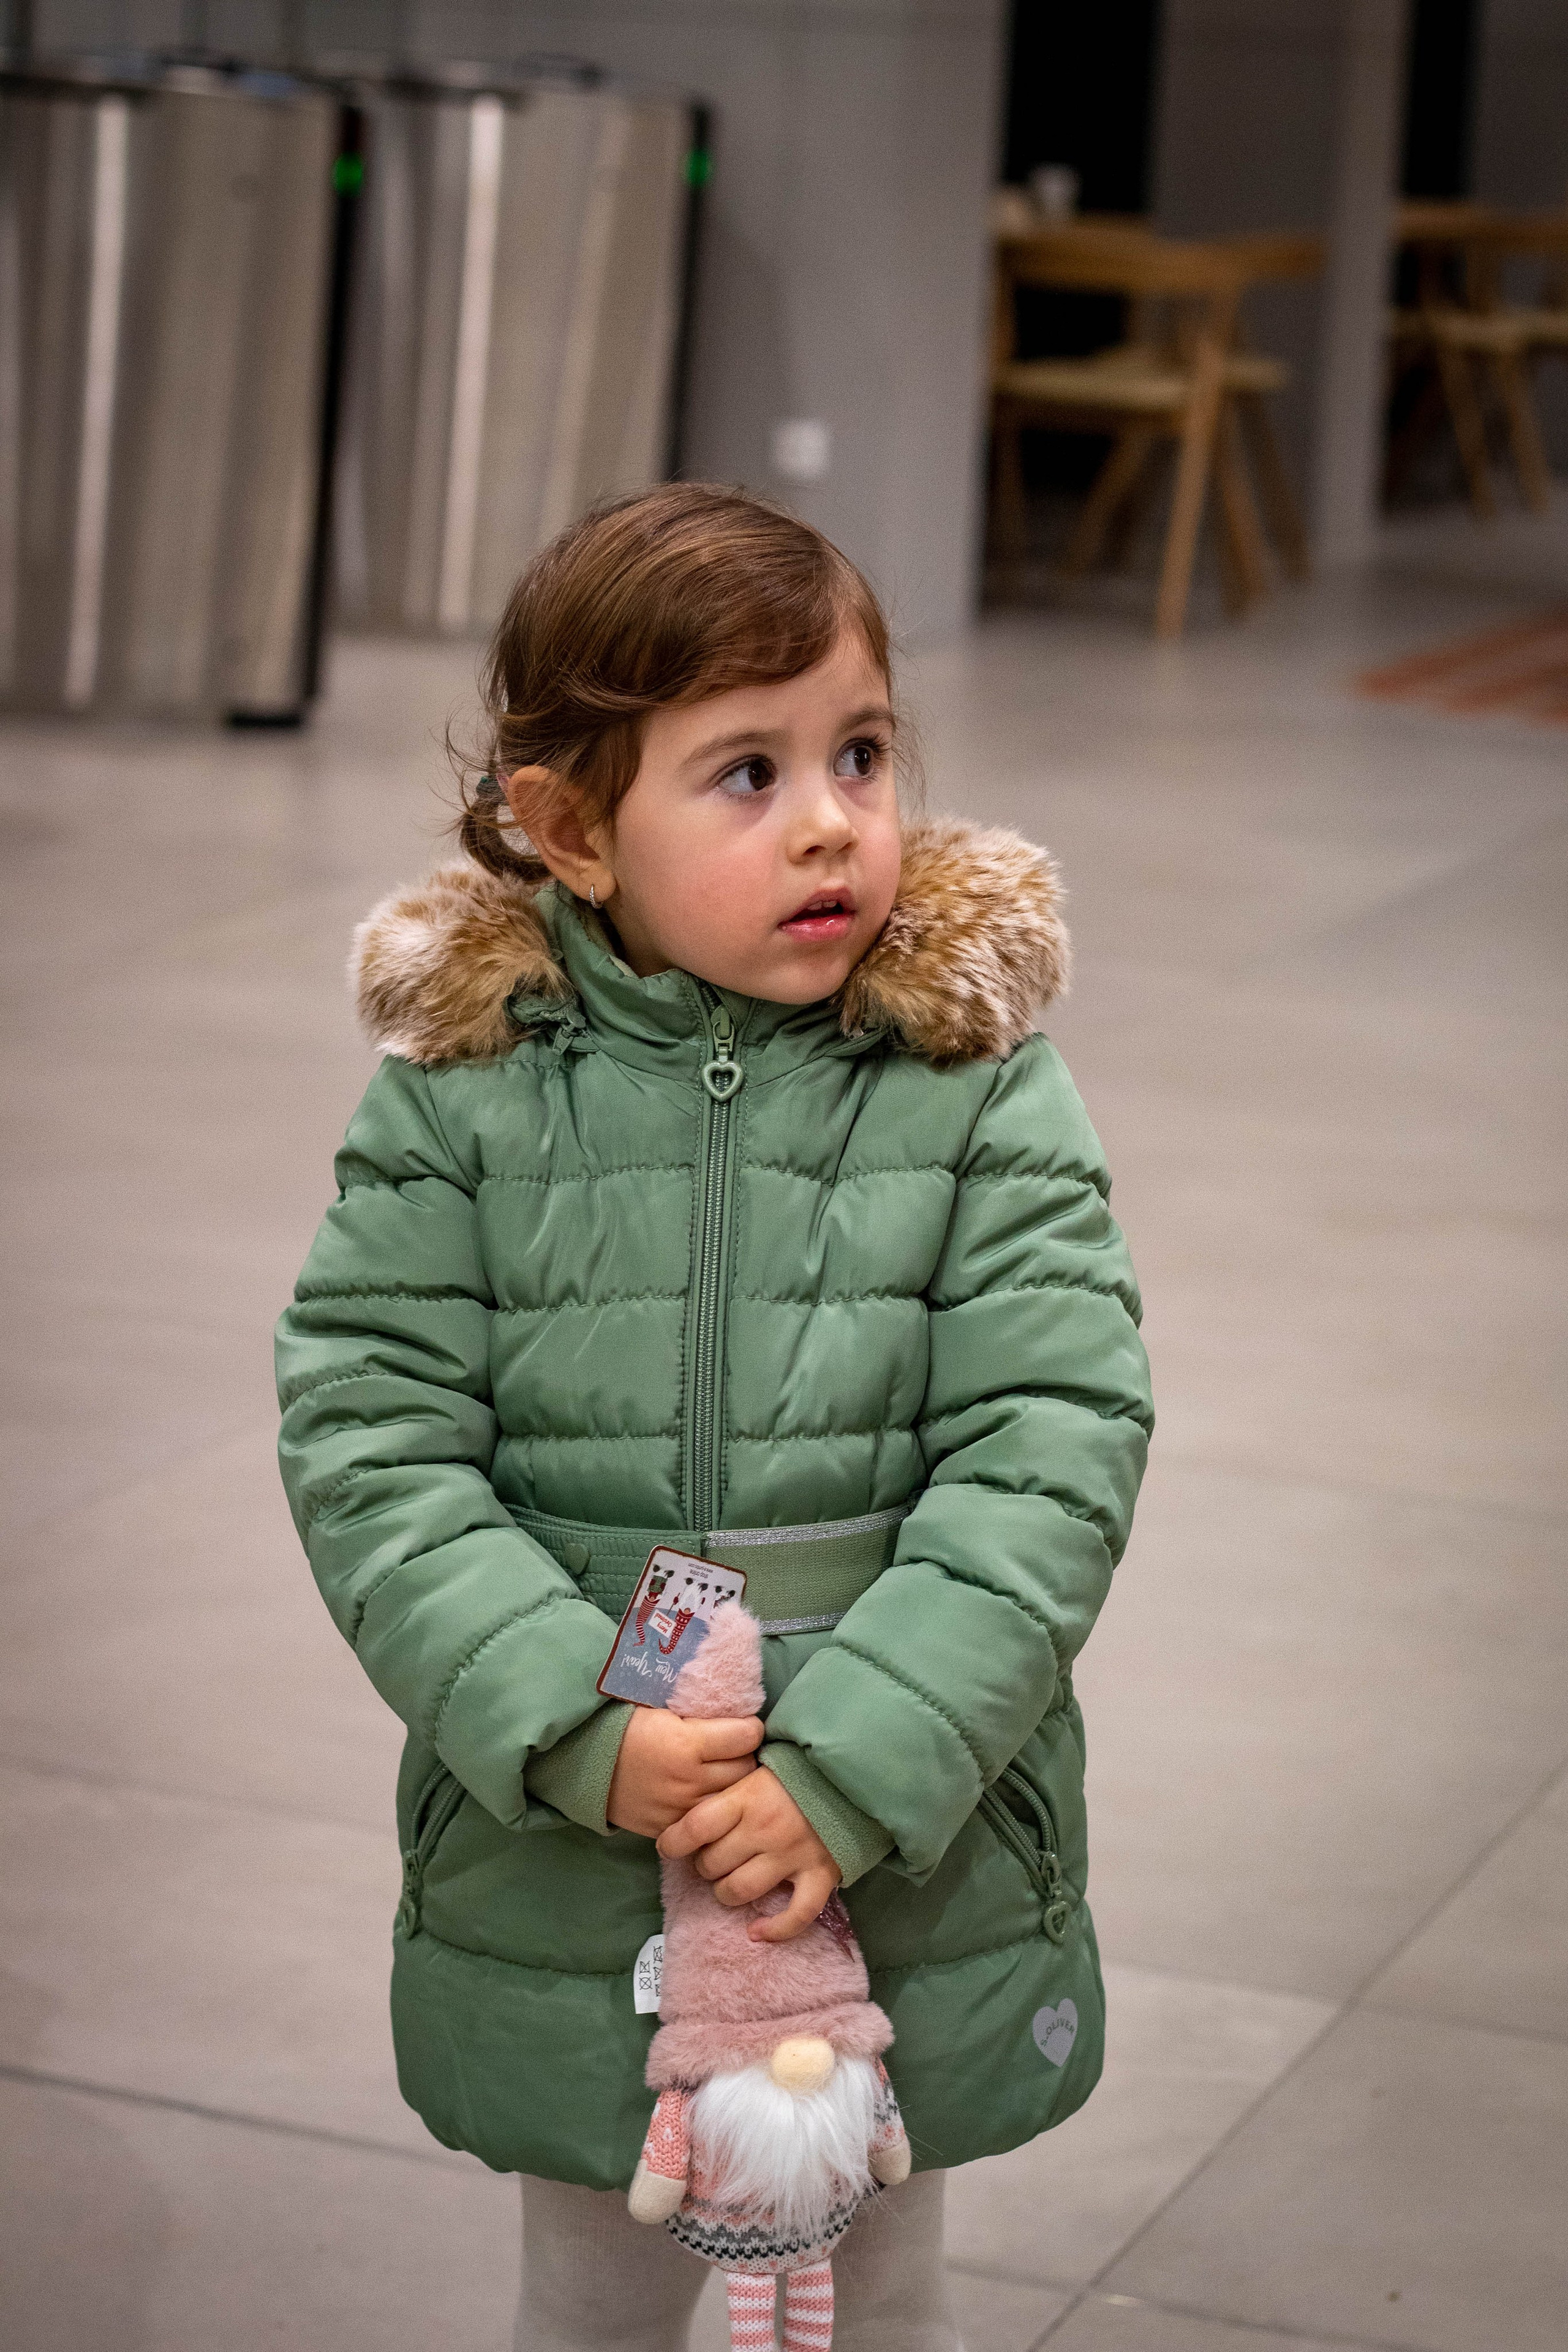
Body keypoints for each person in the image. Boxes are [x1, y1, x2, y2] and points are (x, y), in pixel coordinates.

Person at [276, 484, 1152, 2351]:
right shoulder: (463, 1097)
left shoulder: (975, 1086)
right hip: (579, 1852)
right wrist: (572, 1719)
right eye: (745, 775)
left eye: (858, 752)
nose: (833, 819)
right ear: (572, 830)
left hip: (908, 1828)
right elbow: (374, 1436)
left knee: (883, 2272)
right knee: (596, 2275)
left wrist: (856, 1769)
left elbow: (1051, 1445)